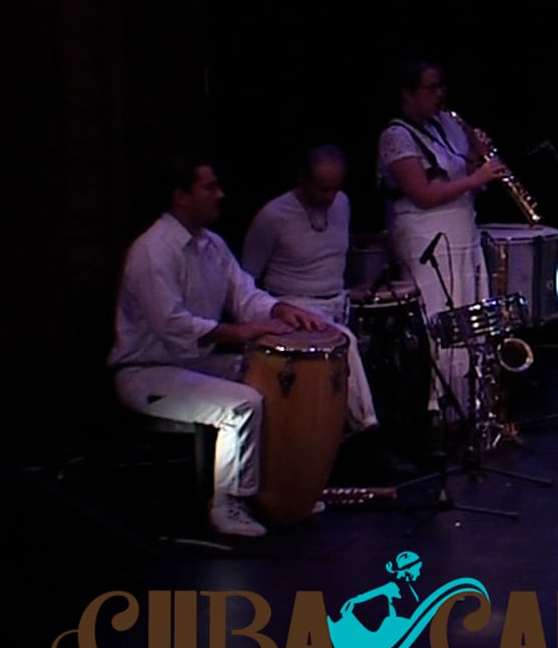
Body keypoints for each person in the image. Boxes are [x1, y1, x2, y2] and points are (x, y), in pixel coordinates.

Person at [109, 156, 334, 537]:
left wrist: (281, 309)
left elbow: (244, 294)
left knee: (278, 381)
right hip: (146, 372)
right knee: (242, 404)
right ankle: (227, 503)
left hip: (194, 363)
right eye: (209, 187)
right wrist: (240, 332)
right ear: (181, 196)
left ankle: (285, 490)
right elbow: (172, 325)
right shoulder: (153, 250)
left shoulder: (211, 245)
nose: (220, 194)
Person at [376, 60, 510, 430]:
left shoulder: (446, 124)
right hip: (425, 239)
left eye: (442, 86)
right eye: (431, 87)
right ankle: (435, 413)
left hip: (461, 231)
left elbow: (461, 175)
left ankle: (469, 407)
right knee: (438, 319)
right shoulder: (396, 136)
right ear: (408, 94)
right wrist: (478, 177)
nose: (440, 94)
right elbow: (421, 194)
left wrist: (476, 154)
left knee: (468, 316)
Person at [240, 144, 382, 441]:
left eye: (335, 188)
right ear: (302, 178)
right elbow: (246, 280)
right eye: (321, 188)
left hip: (338, 301)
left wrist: (348, 293)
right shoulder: (273, 216)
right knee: (345, 342)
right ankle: (367, 431)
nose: (329, 197)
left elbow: (331, 257)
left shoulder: (342, 203)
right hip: (293, 306)